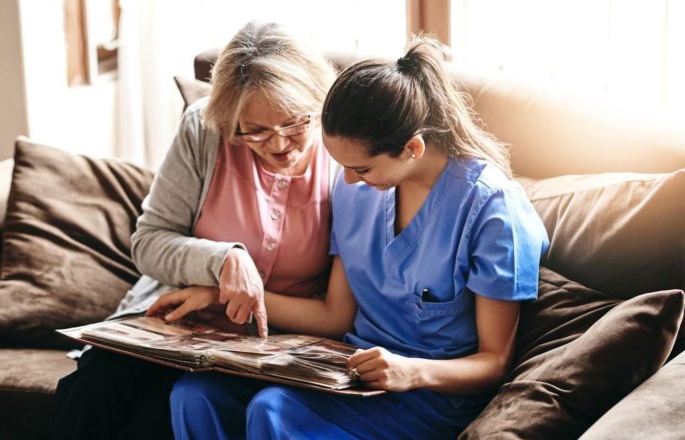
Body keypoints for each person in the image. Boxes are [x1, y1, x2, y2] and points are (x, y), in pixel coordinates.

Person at [164, 36, 550, 439]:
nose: (347, 181)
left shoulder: (493, 211)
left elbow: (494, 362)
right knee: (197, 393)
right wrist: (217, 295)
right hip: (344, 371)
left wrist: (410, 371)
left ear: (412, 148)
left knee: (274, 411)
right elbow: (335, 316)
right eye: (342, 166)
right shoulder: (355, 190)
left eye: (361, 169)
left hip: (430, 394)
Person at [48, 21, 337, 440]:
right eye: (254, 131)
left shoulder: (346, 150)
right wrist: (221, 260)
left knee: (161, 415)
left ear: (318, 104)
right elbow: (148, 242)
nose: (278, 145)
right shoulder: (204, 129)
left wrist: (224, 297)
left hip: (272, 339)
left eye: (295, 124)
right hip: (175, 326)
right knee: (93, 386)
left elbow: (344, 304)